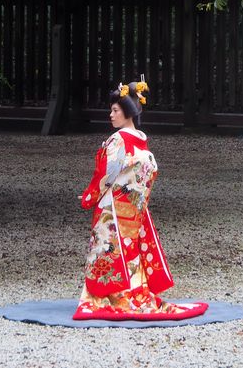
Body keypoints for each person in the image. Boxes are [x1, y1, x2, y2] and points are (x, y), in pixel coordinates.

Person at [73, 79, 208, 321]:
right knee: (129, 253)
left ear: (128, 112)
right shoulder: (141, 142)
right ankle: (130, 292)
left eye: (115, 110)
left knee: (107, 251)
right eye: (111, 110)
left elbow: (104, 175)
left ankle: (109, 297)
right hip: (134, 208)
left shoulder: (117, 141)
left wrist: (88, 197)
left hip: (112, 207)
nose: (111, 115)